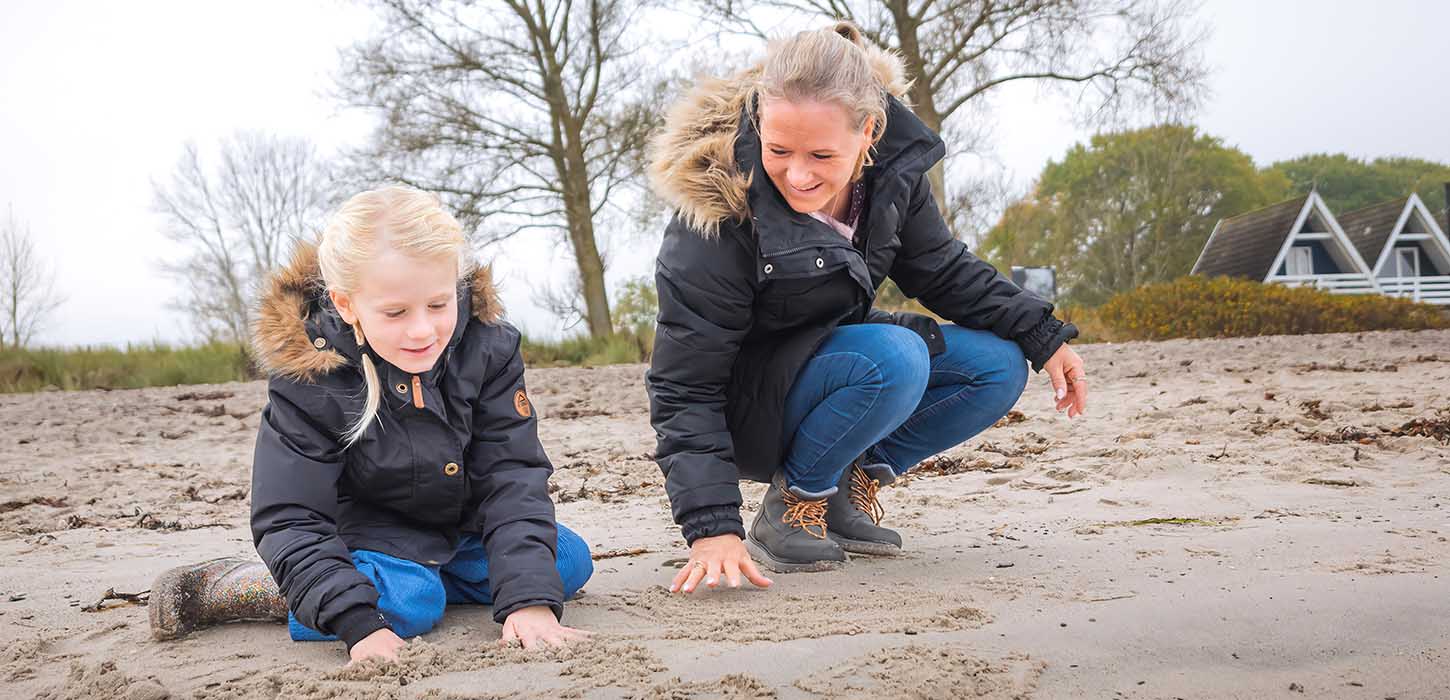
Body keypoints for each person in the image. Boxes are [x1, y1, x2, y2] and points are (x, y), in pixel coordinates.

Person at [645, 23, 1089, 591]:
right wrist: (712, 528)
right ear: (759, 121)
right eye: (779, 150)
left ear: (870, 132)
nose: (798, 175)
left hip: (831, 364)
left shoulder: (893, 175)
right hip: (745, 410)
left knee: (997, 366)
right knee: (894, 356)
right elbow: (685, 387)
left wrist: (1042, 334)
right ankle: (792, 505)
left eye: (822, 154)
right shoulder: (716, 213)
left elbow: (943, 268)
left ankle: (838, 486)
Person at [147, 186, 593, 662]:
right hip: (368, 534)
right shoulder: (309, 376)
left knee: (565, 561)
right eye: (396, 313)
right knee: (410, 603)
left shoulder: (489, 349)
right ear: (345, 304)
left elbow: (512, 473)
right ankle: (253, 587)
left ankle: (417, 582)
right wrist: (358, 622)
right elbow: (290, 514)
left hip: (459, 527)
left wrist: (527, 600)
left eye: (439, 305)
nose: (422, 330)